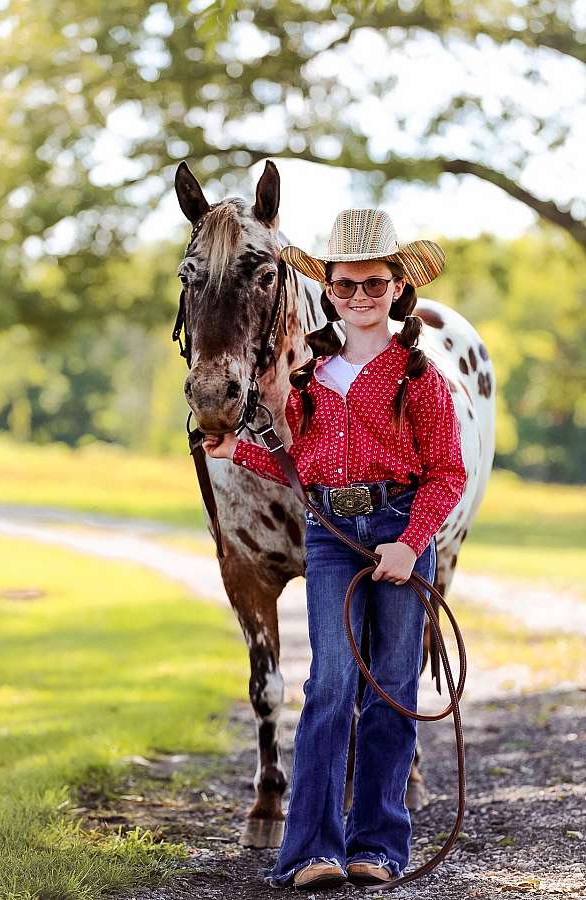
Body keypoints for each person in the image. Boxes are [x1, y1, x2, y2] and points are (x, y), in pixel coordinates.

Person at [202, 208, 467, 890]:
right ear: (330, 292)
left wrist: (411, 545)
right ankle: (310, 847)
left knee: (391, 690)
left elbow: (447, 475)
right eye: (346, 286)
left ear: (397, 290)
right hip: (331, 539)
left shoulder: (420, 379)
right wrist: (240, 452)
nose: (359, 297)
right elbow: (302, 469)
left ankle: (377, 844)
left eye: (374, 285)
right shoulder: (309, 380)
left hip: (402, 529)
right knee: (329, 687)